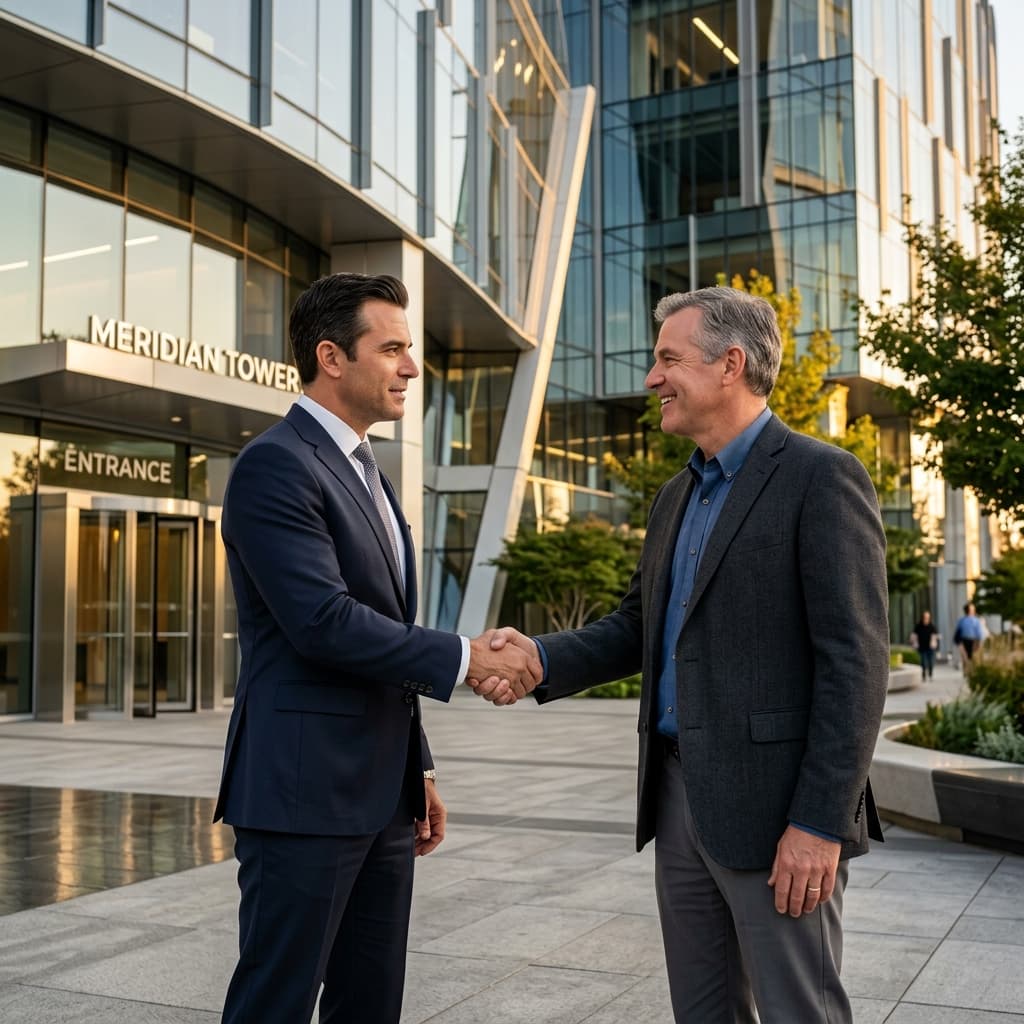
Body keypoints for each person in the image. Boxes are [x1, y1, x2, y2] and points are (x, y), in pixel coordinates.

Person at [473, 286, 889, 1023]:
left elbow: (855, 664)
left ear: (730, 365)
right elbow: (638, 627)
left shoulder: (820, 477)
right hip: (676, 797)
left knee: (802, 1012)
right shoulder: (674, 496)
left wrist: (820, 822)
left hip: (777, 813)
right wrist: (536, 655)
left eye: (667, 358)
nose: (651, 377)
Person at [214, 272, 540, 1024]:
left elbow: (381, 626)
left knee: (371, 1003)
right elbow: (323, 622)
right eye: (392, 348)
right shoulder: (276, 464)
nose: (411, 367)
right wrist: (468, 658)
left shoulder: (368, 470)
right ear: (331, 357)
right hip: (303, 797)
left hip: (381, 797)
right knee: (276, 1002)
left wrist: (414, 764)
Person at [954, 602, 986, 672]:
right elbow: (957, 633)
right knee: (965, 657)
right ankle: (967, 671)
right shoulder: (962, 621)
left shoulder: (976, 620)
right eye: (972, 609)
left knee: (972, 657)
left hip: (974, 641)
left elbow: (979, 633)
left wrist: (980, 642)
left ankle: (971, 671)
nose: (973, 611)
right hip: (965, 641)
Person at [910, 610, 939, 680]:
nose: (926, 619)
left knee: (931, 662)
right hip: (922, 647)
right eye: (925, 617)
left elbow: (936, 636)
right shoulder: (918, 626)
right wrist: (913, 643)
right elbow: (913, 635)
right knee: (923, 662)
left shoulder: (932, 626)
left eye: (927, 617)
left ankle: (930, 673)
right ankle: (923, 674)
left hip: (930, 647)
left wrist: (935, 643)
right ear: (922, 618)